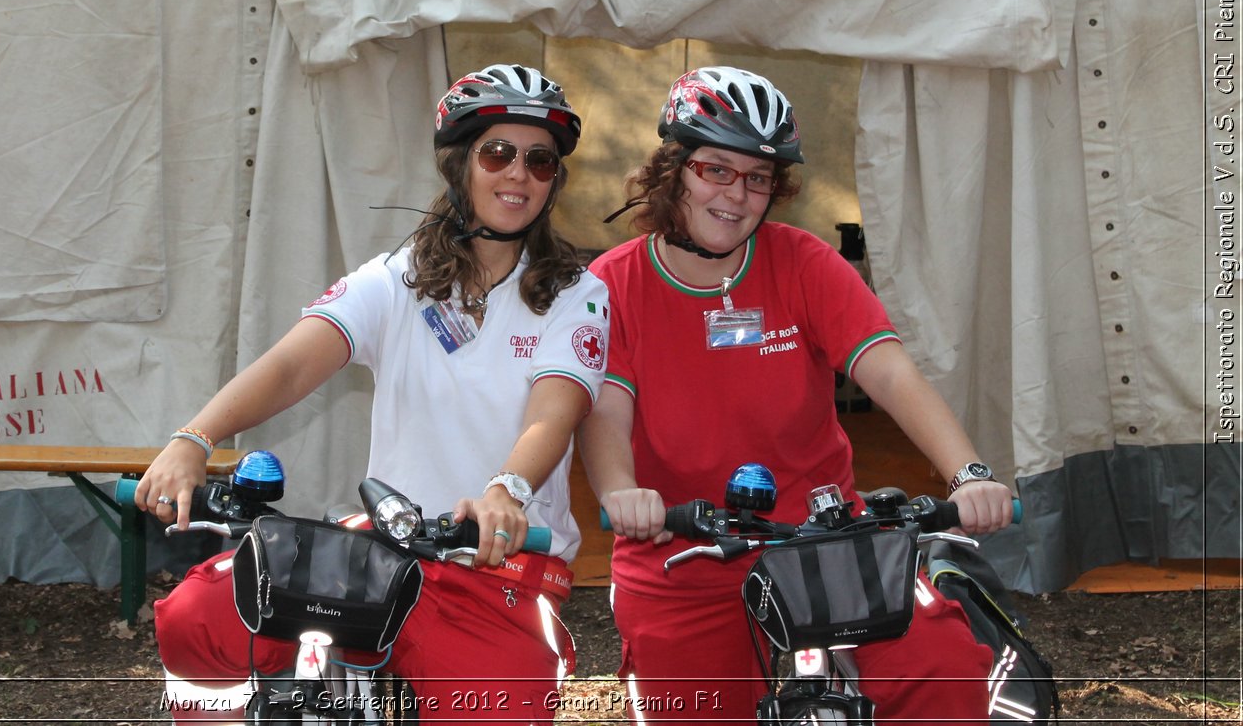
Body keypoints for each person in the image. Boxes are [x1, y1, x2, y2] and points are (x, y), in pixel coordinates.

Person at [136, 63, 610, 723]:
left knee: (496, 705)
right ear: (461, 166)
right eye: (498, 153)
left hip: (498, 565)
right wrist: (195, 437)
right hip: (385, 550)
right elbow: (291, 366)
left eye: (539, 162)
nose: (518, 175)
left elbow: (552, 415)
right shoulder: (401, 277)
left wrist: (508, 488)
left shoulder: (576, 294)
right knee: (198, 617)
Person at [579, 66, 1013, 724]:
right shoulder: (613, 282)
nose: (737, 194)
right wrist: (620, 491)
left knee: (942, 675)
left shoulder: (801, 261)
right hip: (683, 548)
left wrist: (968, 471)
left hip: (823, 537)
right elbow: (606, 414)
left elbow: (890, 372)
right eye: (715, 170)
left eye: (757, 177)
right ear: (673, 169)